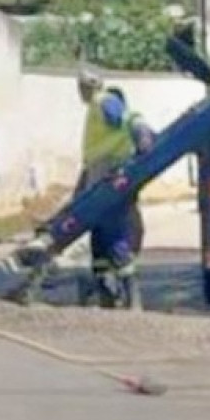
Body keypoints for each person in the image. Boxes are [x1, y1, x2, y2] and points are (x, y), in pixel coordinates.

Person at [81, 85, 157, 310]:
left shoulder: (102, 100)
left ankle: (127, 293)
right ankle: (108, 290)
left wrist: (142, 134)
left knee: (111, 232)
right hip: (107, 175)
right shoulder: (102, 108)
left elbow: (125, 118)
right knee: (102, 236)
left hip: (109, 175)